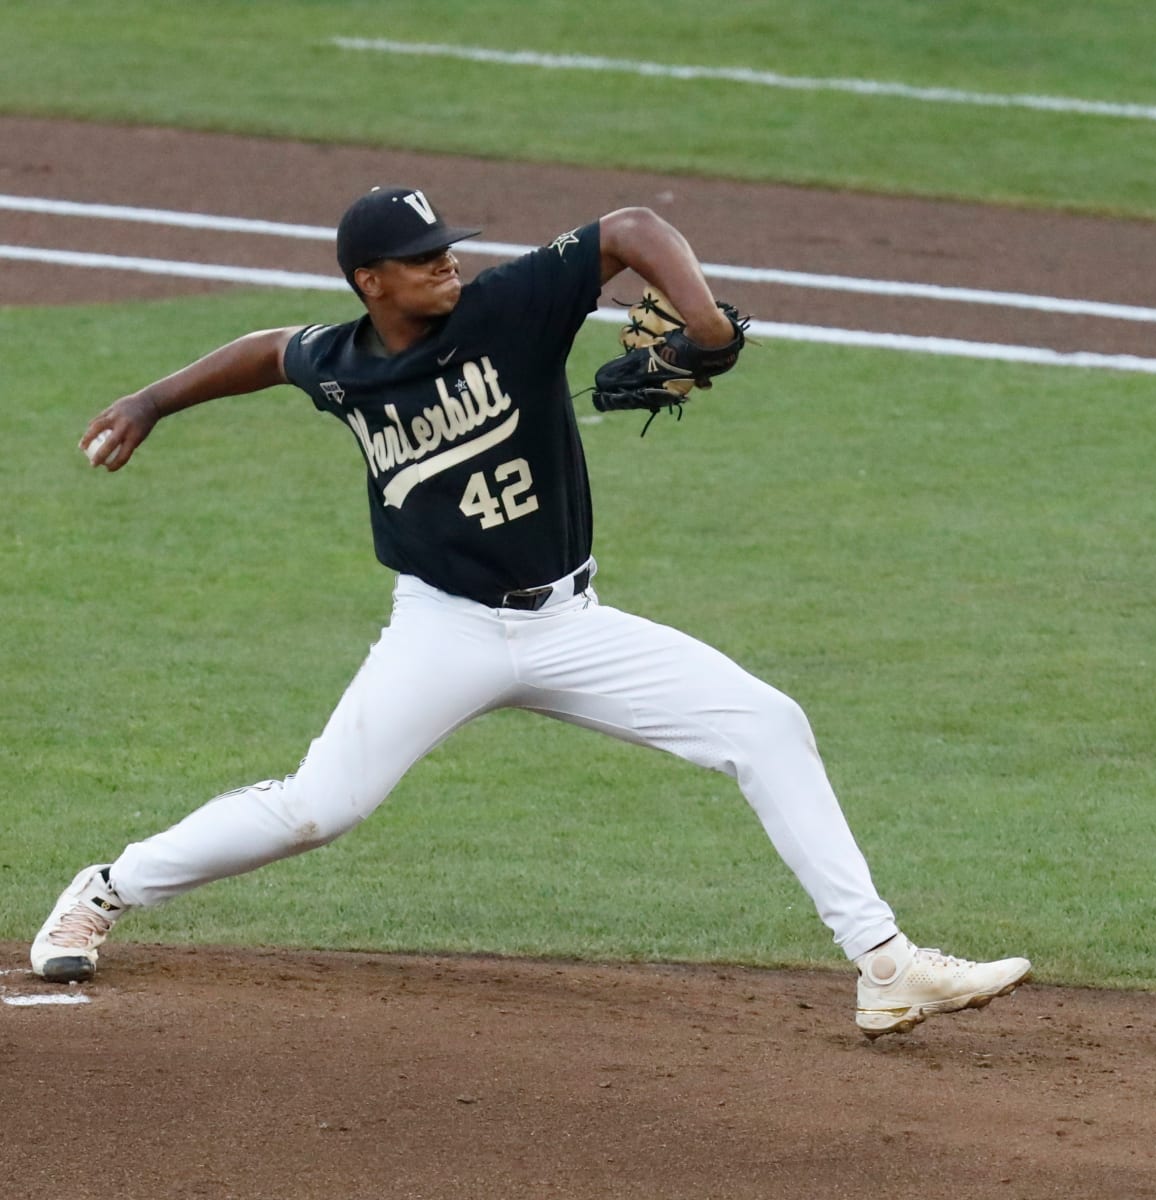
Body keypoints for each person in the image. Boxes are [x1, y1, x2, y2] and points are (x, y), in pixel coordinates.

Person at [31, 185, 1030, 1038]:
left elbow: (632, 227)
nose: (446, 265)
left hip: (570, 625)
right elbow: (268, 350)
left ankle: (885, 966)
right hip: (443, 631)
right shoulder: (344, 364)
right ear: (369, 280)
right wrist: (153, 401)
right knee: (317, 808)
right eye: (421, 259)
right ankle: (105, 891)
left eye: (447, 248)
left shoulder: (509, 308)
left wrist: (709, 325)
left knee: (766, 723)